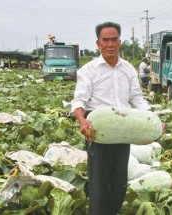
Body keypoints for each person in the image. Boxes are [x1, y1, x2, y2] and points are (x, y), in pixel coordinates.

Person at [71, 22, 152, 215]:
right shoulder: (89, 70)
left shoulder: (129, 69)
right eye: (105, 40)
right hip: (98, 131)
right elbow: (79, 101)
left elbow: (137, 99)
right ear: (98, 43)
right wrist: (83, 121)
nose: (110, 44)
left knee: (118, 183)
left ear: (120, 42)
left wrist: (152, 119)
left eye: (114, 39)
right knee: (99, 183)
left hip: (123, 131)